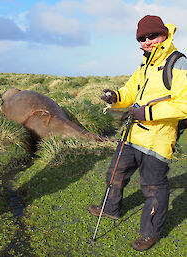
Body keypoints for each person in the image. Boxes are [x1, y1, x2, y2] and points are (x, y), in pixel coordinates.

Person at [88, 15, 187, 251]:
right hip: (132, 135)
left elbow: (184, 104)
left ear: (163, 34)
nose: (147, 41)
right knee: (115, 173)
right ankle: (110, 209)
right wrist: (115, 98)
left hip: (159, 139)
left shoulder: (178, 63)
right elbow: (131, 91)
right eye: (142, 38)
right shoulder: (145, 65)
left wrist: (148, 113)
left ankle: (150, 232)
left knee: (153, 188)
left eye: (152, 36)